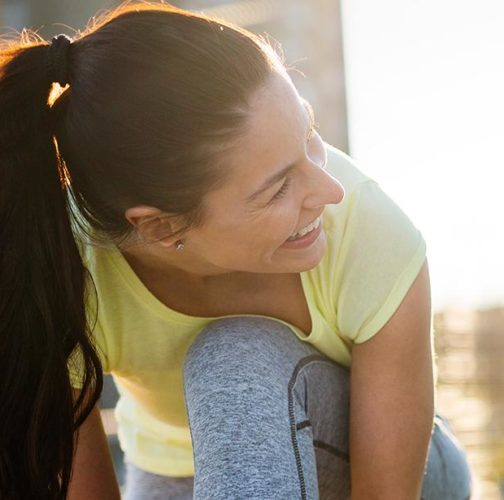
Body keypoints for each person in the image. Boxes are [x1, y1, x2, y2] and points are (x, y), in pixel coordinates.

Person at [0, 5, 469, 499]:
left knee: (231, 356)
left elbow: (384, 493)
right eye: (277, 189)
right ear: (161, 227)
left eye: (309, 137)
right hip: (177, 478)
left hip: (388, 465)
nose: (329, 190)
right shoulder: (56, 268)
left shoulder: (366, 227)